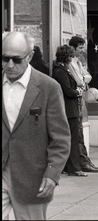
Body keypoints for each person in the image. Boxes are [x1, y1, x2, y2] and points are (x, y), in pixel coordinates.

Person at [2, 31, 71, 220]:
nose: (9, 65)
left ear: (30, 57)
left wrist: (53, 173)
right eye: (4, 58)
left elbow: (61, 137)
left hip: (31, 177)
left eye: (16, 60)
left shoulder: (48, 87)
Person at [52, 45, 87, 177]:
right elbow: (67, 90)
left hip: (69, 108)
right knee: (72, 140)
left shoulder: (62, 70)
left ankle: (68, 166)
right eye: (71, 56)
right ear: (67, 57)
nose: (72, 58)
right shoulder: (60, 71)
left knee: (69, 139)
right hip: (68, 109)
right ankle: (74, 168)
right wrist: (77, 92)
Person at [69, 36, 98, 173]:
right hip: (75, 99)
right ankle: (82, 162)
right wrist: (83, 79)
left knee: (80, 131)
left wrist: (83, 78)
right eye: (80, 47)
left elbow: (88, 76)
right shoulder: (70, 62)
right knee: (78, 133)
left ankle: (85, 160)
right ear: (73, 48)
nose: (82, 50)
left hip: (80, 98)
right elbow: (80, 81)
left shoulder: (78, 62)